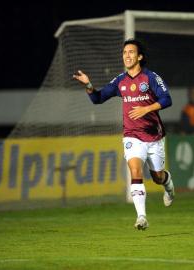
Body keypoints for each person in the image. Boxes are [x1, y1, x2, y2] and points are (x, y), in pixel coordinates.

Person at [73, 38, 174, 230]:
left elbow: (167, 99)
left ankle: (168, 185)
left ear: (140, 56)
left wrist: (147, 109)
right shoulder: (120, 81)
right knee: (135, 171)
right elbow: (98, 98)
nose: (127, 55)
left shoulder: (151, 78)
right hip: (132, 135)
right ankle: (142, 217)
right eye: (125, 52)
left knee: (157, 177)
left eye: (131, 52)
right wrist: (88, 85)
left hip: (153, 135)